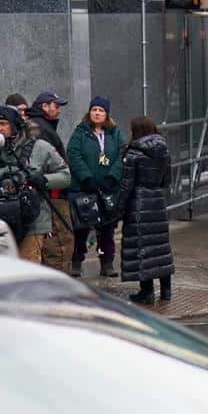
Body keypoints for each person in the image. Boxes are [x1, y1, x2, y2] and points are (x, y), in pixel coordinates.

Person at [0, 104, 68, 263]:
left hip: (33, 223)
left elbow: (66, 176)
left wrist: (44, 180)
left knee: (27, 269)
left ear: (15, 125)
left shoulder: (40, 148)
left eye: (3, 124)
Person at [118, 115, 175, 303]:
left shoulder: (133, 154)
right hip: (157, 202)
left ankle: (147, 292)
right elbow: (167, 180)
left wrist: (118, 207)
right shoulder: (164, 151)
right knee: (160, 248)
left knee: (143, 247)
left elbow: (126, 185)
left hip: (138, 204)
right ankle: (166, 291)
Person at [65, 96, 124, 278]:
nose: (97, 113)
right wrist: (86, 177)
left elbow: (123, 155)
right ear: (89, 112)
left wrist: (113, 177)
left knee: (107, 230)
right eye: (94, 110)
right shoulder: (80, 132)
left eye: (101, 110)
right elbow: (73, 155)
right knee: (81, 229)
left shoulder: (115, 134)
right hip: (84, 189)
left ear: (106, 114)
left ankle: (107, 263)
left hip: (107, 190)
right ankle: (77, 262)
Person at [28, 90, 69, 158]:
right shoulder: (42, 128)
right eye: (56, 107)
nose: (59, 111)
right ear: (45, 106)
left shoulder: (37, 123)